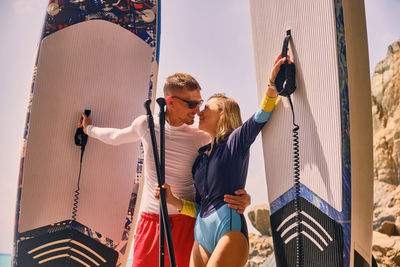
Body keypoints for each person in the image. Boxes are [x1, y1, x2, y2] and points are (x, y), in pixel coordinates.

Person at [79, 73, 251, 267]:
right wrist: (88, 129)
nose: (197, 110)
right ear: (170, 102)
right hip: (151, 221)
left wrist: (244, 196)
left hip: (188, 222)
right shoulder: (146, 125)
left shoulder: (201, 135)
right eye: (191, 104)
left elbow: (228, 166)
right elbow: (115, 136)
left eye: (199, 103)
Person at [154, 54, 289, 267]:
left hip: (229, 230)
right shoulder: (200, 158)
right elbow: (200, 206)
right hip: (202, 234)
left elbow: (261, 116)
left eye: (207, 107)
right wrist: (173, 201)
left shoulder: (234, 142)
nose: (200, 111)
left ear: (223, 113)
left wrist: (272, 84)